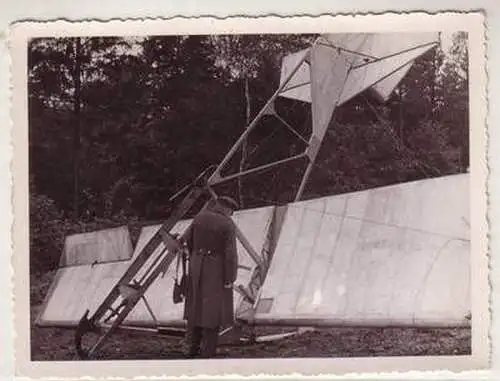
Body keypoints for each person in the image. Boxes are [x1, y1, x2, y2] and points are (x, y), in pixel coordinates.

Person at [183, 195, 239, 358]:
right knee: (213, 311)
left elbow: (189, 242)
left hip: (196, 264)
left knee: (195, 307)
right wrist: (230, 277)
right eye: (231, 211)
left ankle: (192, 348)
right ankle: (208, 352)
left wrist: (196, 258)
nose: (231, 214)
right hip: (214, 268)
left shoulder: (199, 217)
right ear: (227, 208)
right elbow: (230, 254)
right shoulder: (227, 224)